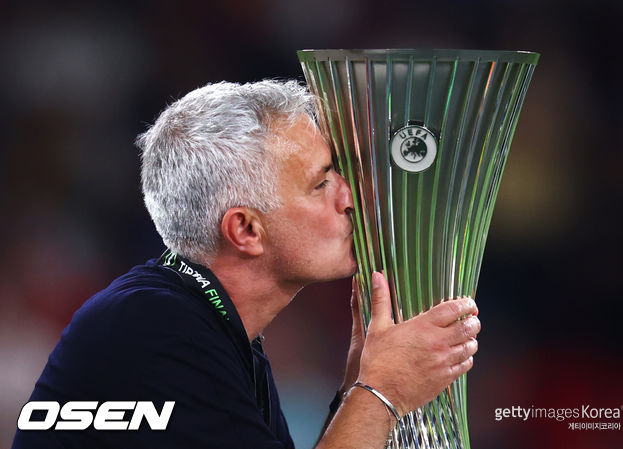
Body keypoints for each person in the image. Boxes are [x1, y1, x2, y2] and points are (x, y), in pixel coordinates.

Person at [12, 80, 480, 449]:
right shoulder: (154, 329)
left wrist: (359, 382)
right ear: (246, 230)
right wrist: (381, 391)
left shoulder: (207, 327)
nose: (351, 198)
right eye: (321, 184)